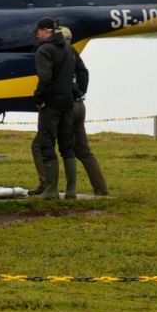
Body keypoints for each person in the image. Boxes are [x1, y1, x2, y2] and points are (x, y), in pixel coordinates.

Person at [31, 17, 78, 200]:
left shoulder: (44, 50)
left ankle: (51, 189)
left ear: (47, 31)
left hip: (50, 105)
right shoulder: (68, 48)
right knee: (67, 146)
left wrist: (38, 98)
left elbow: (45, 78)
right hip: (67, 103)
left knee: (47, 144)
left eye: (39, 31)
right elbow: (78, 72)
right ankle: (71, 189)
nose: (37, 34)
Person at [61, 26, 109, 196]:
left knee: (44, 145)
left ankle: (52, 186)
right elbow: (84, 73)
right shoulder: (74, 53)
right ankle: (101, 189)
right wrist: (80, 92)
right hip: (80, 105)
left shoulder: (59, 53)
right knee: (84, 151)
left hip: (67, 106)